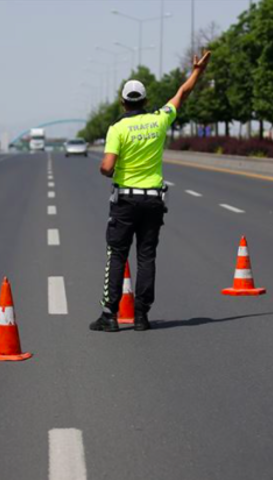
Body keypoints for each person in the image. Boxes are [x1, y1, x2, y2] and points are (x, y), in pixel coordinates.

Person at [90, 50, 211, 333]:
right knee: (147, 256)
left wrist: (109, 167)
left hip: (125, 200)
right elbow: (182, 94)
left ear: (123, 102)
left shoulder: (117, 128)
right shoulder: (159, 120)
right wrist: (197, 71)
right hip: (154, 201)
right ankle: (142, 316)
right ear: (145, 101)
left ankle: (110, 315)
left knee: (117, 254)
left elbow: (107, 167)